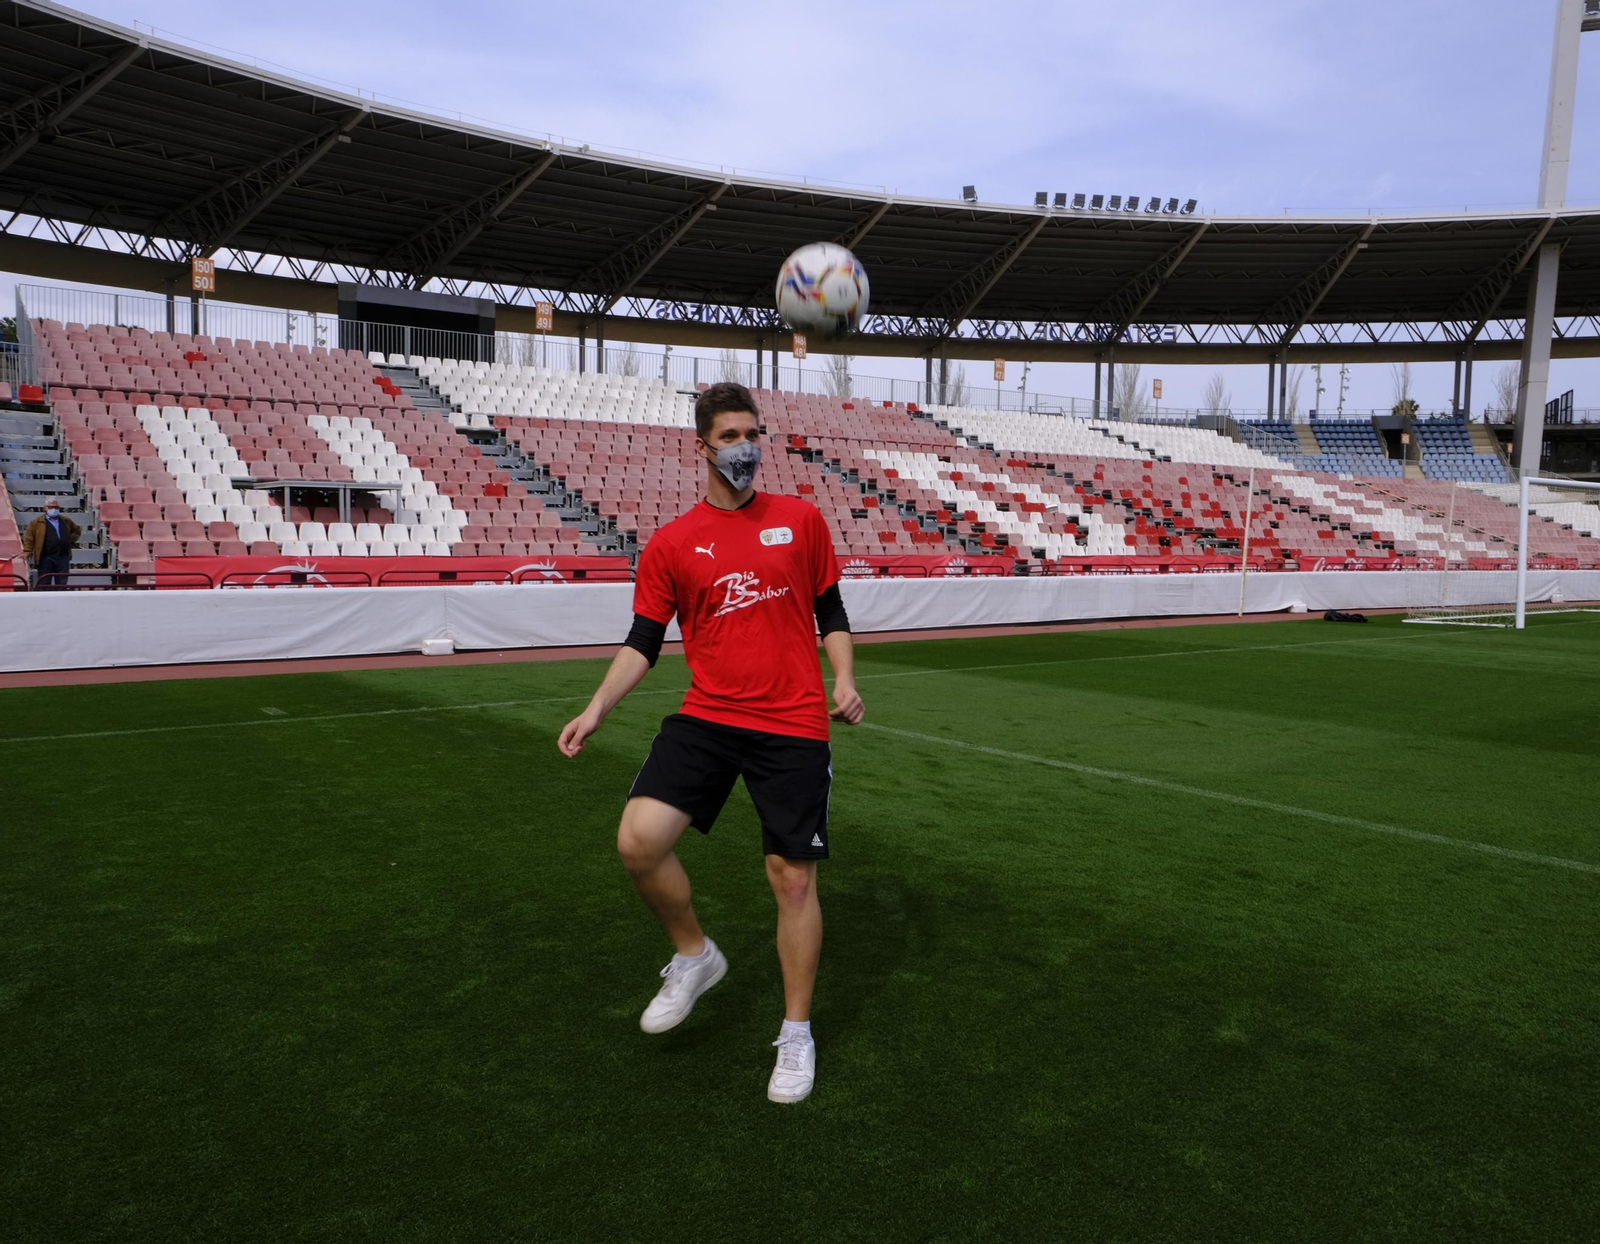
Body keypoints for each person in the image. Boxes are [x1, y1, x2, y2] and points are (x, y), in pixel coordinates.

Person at [558, 381, 863, 1105]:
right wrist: (598, 705)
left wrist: (844, 676)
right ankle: (695, 956)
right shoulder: (670, 542)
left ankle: (795, 1034)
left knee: (791, 879)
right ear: (701, 446)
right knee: (638, 841)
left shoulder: (802, 520)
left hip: (791, 722)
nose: (745, 447)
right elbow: (643, 640)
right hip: (710, 715)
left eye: (752, 433)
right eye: (729, 436)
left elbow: (832, 610)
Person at [23, 500, 80, 590]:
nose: (54, 509)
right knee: (44, 583)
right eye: (51, 507)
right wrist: (27, 551)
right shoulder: (36, 523)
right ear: (45, 508)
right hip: (45, 557)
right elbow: (29, 538)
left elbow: (77, 530)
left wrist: (69, 540)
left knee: (62, 583)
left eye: (56, 507)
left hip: (62, 556)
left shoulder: (65, 520)